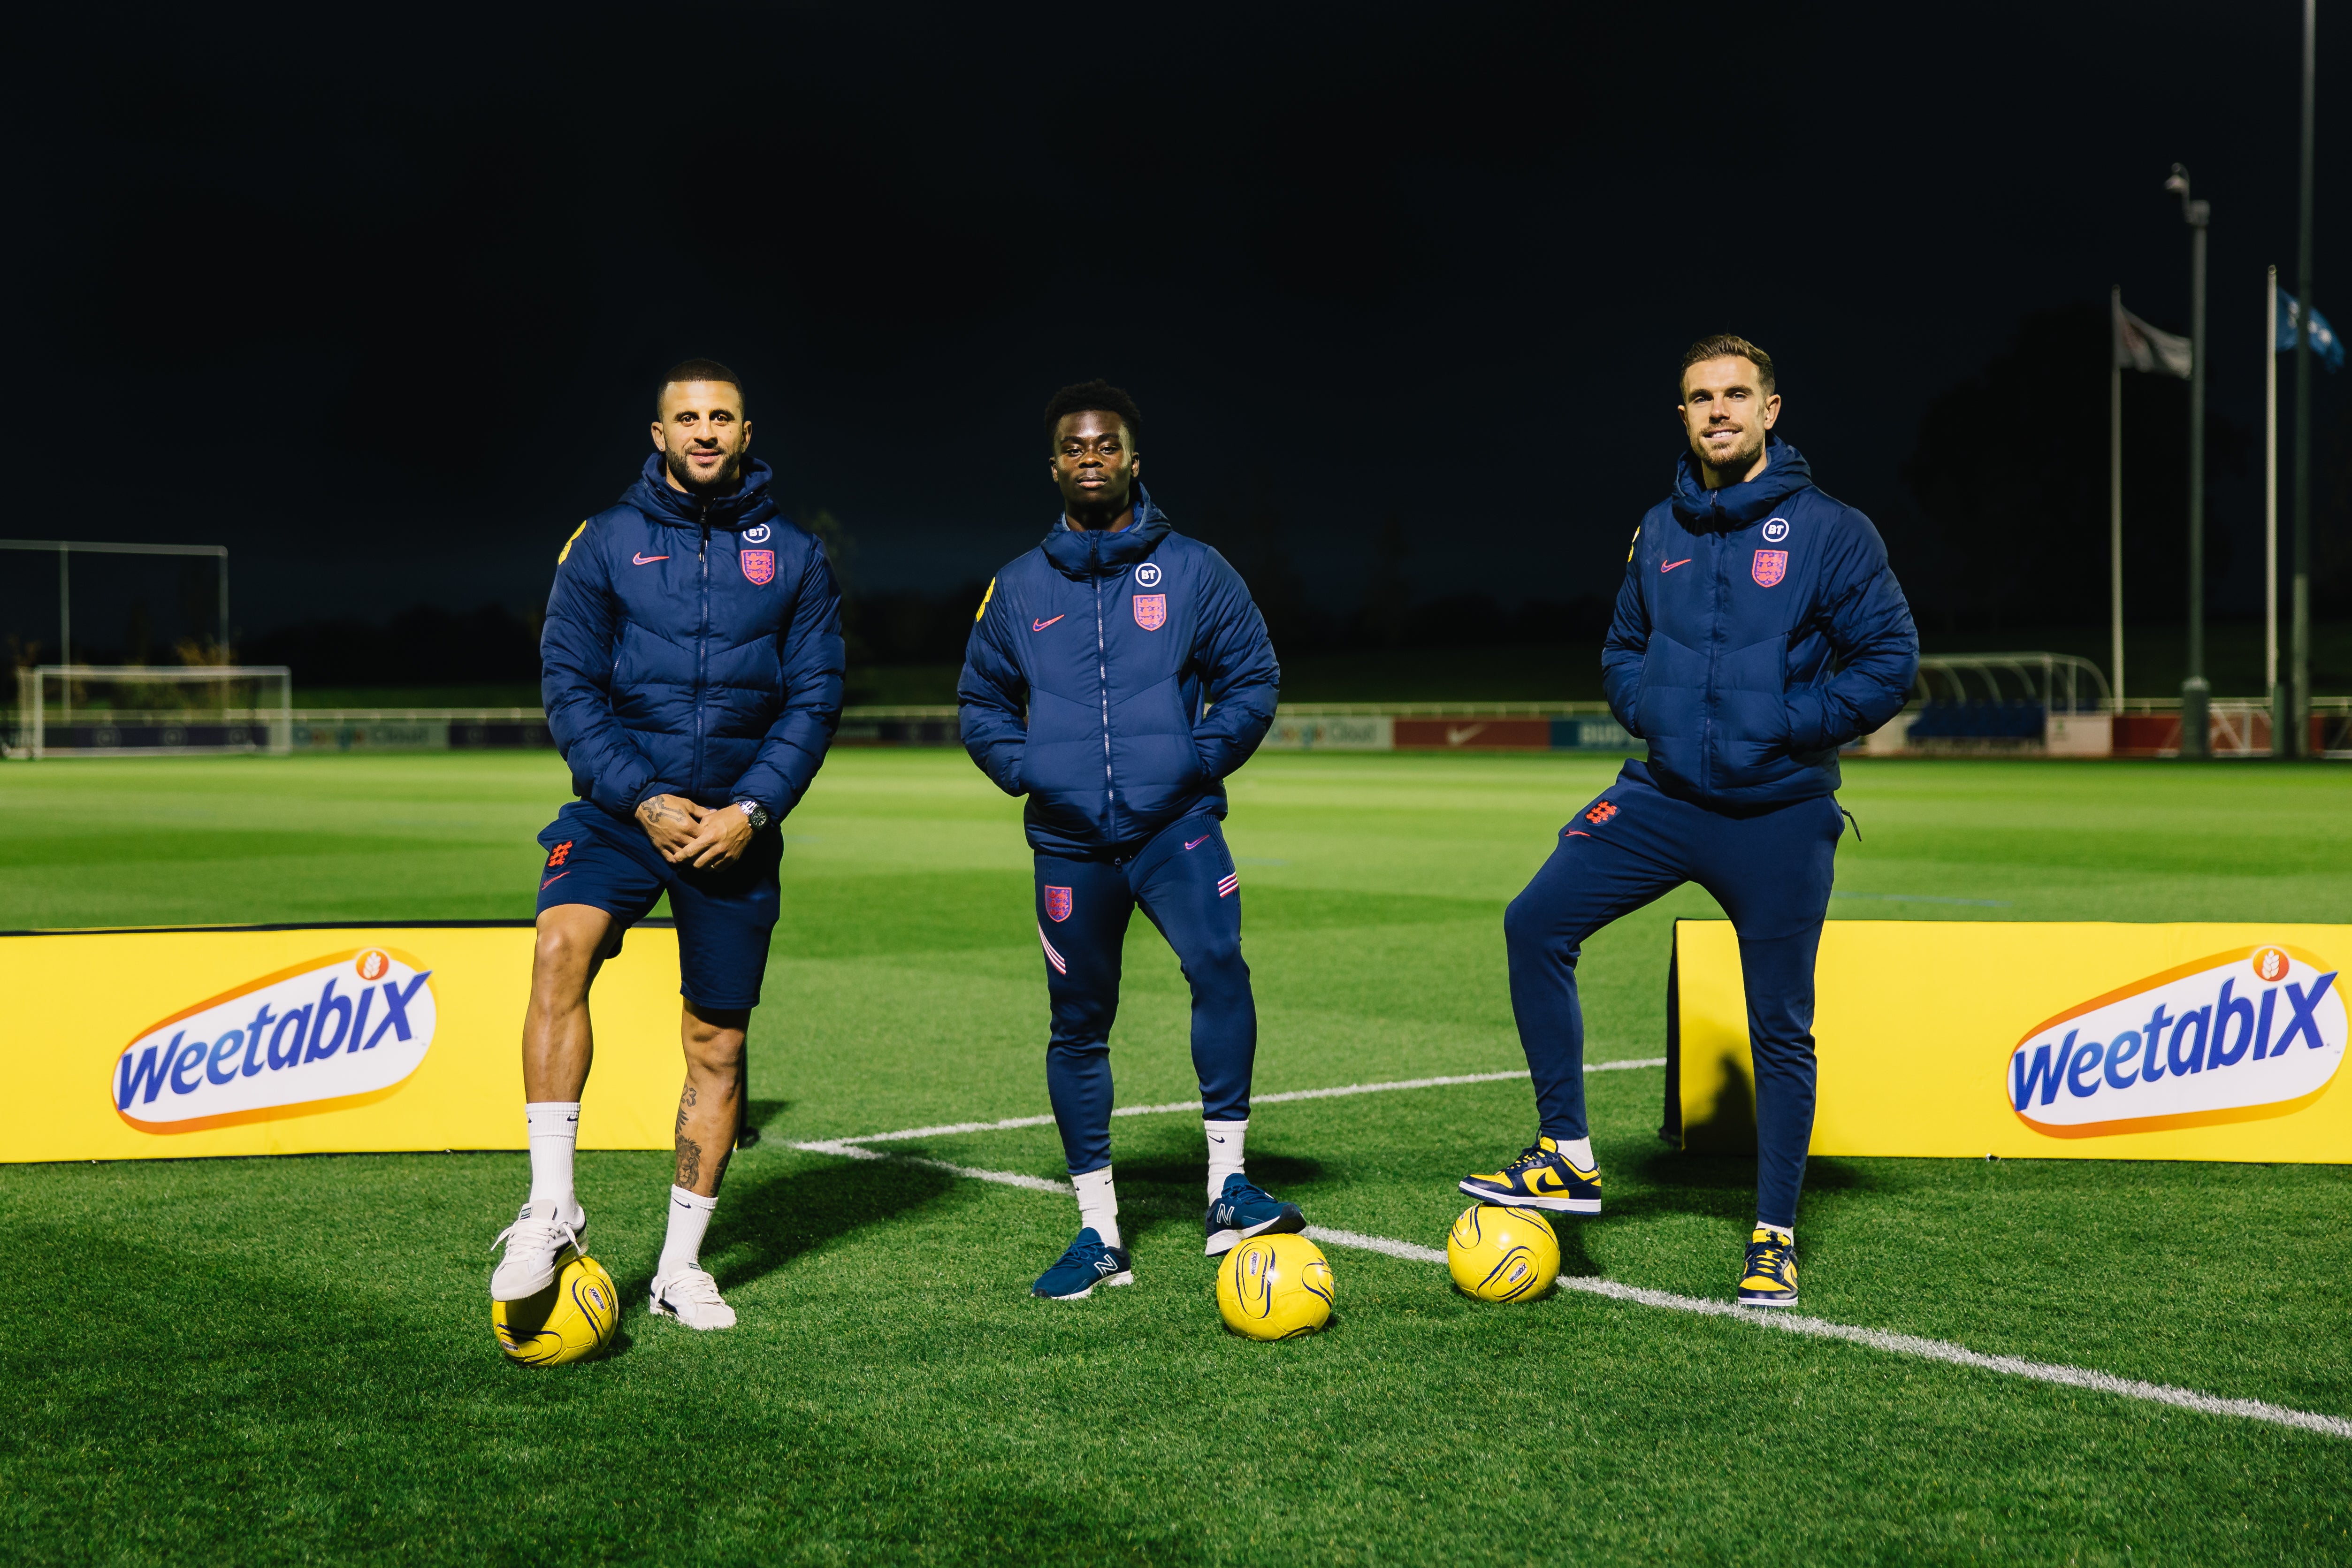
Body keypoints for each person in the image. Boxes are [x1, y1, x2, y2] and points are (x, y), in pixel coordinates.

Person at [1457, 336, 1917, 1307]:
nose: (1717, 411)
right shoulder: (1657, 528)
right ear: (1683, 417)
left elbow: (1889, 661)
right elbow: (1624, 644)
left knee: (1778, 1029)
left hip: (1778, 814)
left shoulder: (1833, 531)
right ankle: (1567, 1156)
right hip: (1660, 797)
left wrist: (1790, 727)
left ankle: (1773, 1236)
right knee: (1534, 922)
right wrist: (1651, 709)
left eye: (1735, 396)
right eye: (1700, 398)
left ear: (1771, 410)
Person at [489, 358, 844, 1330]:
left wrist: (752, 812)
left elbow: (815, 699)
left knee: (716, 1046)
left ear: (745, 431)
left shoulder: (798, 557)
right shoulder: (603, 544)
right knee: (561, 947)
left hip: (736, 826)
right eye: (685, 418)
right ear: (658, 436)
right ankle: (550, 1207)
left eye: (720, 417)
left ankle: (681, 1268)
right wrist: (642, 796)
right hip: (619, 810)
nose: (703, 432)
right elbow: (568, 685)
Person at [959, 379, 1294, 1300]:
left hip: (1175, 828)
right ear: (1055, 464)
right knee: (1077, 1028)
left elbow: (1253, 677)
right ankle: (1098, 1232)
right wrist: (1029, 770)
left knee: (1220, 970)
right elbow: (980, 702)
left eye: (1107, 445)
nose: (1091, 458)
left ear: (1133, 459)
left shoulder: (1193, 570)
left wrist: (1199, 758)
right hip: (1069, 844)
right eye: (1075, 446)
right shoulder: (1020, 587)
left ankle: (1228, 1187)